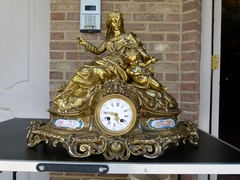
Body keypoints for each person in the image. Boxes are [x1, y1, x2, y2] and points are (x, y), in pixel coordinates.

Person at [51, 10, 177, 112]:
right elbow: (98, 50)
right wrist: (85, 44)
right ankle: (66, 93)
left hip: (119, 67)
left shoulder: (128, 36)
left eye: (117, 20)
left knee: (96, 71)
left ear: (121, 22)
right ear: (109, 23)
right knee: (83, 70)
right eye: (112, 21)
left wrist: (148, 58)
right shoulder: (109, 38)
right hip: (107, 62)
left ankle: (70, 95)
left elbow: (139, 50)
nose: (115, 23)